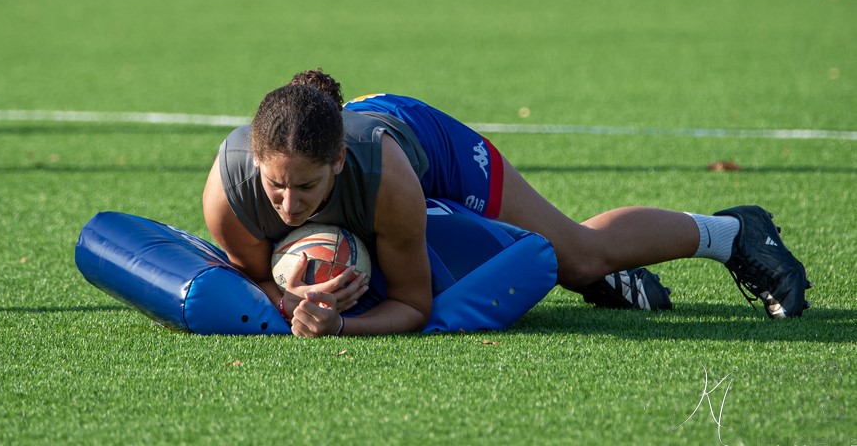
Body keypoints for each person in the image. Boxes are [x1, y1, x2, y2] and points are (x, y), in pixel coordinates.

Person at [202, 69, 810, 337]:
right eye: (275, 185)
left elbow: (414, 305)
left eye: (305, 188)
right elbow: (258, 283)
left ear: (336, 161)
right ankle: (621, 281)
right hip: (372, 169)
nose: (286, 204)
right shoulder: (229, 195)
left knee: (578, 255)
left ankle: (732, 234)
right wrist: (288, 301)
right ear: (255, 163)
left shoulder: (383, 179)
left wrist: (339, 327)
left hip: (429, 147)